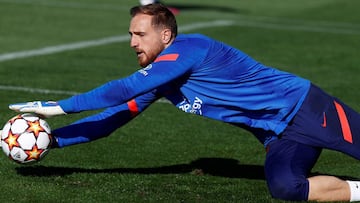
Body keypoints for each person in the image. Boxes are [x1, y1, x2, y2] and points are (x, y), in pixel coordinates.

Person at [5, 3, 360, 202]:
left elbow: (121, 89)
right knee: (285, 189)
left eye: (139, 34)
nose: (131, 42)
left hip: (309, 109)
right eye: (130, 34)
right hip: (279, 137)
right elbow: (114, 116)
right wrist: (54, 139)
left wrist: (61, 106)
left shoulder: (191, 49)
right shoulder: (163, 80)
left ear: (165, 35)